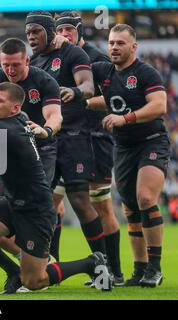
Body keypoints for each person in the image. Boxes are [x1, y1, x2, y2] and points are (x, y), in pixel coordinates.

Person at [0, 81, 112, 294]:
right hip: (12, 203)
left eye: (0, 101)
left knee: (35, 280)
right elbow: (0, 148)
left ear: (15, 107)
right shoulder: (18, 120)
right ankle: (13, 272)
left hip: (36, 211)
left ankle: (91, 262)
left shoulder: (2, 127)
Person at [0, 38, 62, 292]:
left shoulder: (43, 81)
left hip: (34, 154)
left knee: (35, 281)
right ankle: (14, 268)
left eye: (15, 64)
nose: (10, 70)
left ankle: (75, 261)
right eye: (5, 65)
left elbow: (55, 115)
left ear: (27, 60)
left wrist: (46, 130)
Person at [89, 24, 169, 287]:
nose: (114, 47)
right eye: (111, 42)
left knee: (146, 197)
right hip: (122, 147)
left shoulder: (146, 72)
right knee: (130, 208)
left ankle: (155, 269)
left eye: (120, 43)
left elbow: (159, 105)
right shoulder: (104, 71)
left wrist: (126, 118)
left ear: (134, 47)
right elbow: (109, 98)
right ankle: (139, 270)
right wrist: (83, 101)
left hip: (151, 141)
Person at [26, 11, 107, 260]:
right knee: (44, 204)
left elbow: (88, 86)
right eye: (28, 33)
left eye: (36, 31)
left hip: (74, 136)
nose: (31, 37)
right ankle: (49, 264)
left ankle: (102, 263)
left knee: (81, 200)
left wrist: (74, 91)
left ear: (49, 31)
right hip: (45, 139)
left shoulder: (72, 53)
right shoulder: (34, 62)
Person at [53, 11, 123, 285]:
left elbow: (113, 98)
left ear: (80, 32)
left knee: (101, 205)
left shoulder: (97, 59)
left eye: (70, 29)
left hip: (95, 137)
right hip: (65, 139)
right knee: (51, 204)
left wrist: (78, 101)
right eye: (61, 30)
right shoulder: (55, 57)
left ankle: (113, 272)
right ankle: (52, 269)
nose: (65, 34)